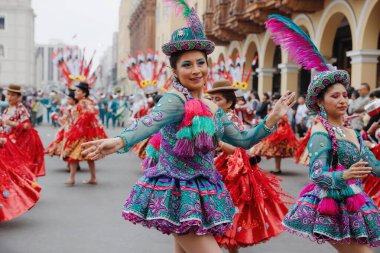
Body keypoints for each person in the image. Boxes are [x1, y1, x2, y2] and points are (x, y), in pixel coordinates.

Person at [81, 3, 296, 253]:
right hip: (177, 192)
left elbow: (244, 140)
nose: (196, 70)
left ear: (207, 65)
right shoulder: (176, 100)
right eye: (187, 65)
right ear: (174, 70)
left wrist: (273, 117)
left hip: (203, 188)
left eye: (200, 63)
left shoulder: (212, 106)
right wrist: (118, 142)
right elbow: (149, 122)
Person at [265, 14, 380, 252]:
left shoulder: (351, 132)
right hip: (332, 206)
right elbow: (317, 174)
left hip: (355, 205)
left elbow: (374, 167)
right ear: (321, 101)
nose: (342, 100)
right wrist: (344, 176)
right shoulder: (321, 133)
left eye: (345, 95)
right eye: (334, 96)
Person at [207, 80, 291, 252]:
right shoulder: (215, 118)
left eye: (218, 99)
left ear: (229, 102)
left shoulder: (230, 120)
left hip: (230, 171)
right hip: (218, 168)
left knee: (226, 217)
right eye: (212, 99)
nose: (214, 103)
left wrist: (218, 144)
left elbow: (238, 147)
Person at [62, 82, 107, 185]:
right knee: (83, 156)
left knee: (76, 155)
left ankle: (75, 178)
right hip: (79, 131)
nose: (76, 93)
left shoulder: (85, 102)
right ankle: (89, 177)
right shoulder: (82, 102)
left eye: (78, 91)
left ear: (84, 93)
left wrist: (79, 124)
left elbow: (90, 114)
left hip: (83, 134)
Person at [0, 84, 45, 177]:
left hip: (17, 143)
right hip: (5, 142)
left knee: (17, 170)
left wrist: (11, 123)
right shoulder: (6, 109)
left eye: (12, 95)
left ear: (19, 97)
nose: (9, 97)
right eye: (8, 94)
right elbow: (4, 125)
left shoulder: (20, 109)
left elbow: (27, 126)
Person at [251, 93, 299, 174]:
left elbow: (284, 119)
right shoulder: (272, 107)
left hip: (281, 132)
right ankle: (274, 167)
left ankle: (277, 168)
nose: (275, 101)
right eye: (274, 99)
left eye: (276, 99)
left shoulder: (283, 108)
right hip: (273, 129)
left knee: (277, 151)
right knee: (264, 148)